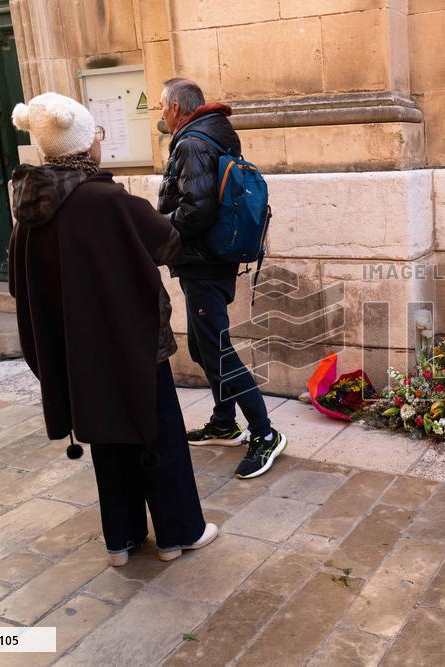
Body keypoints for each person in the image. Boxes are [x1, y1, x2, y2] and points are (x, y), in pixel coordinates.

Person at [9, 92, 217, 567]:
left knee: (105, 435)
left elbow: (20, 284)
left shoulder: (27, 205)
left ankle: (120, 541)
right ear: (84, 146)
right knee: (158, 431)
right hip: (131, 340)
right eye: (96, 134)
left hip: (76, 351)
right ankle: (177, 535)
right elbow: (168, 244)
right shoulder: (107, 199)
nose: (101, 142)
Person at [157, 77, 287, 479]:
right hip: (210, 260)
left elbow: (196, 210)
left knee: (216, 349)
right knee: (200, 346)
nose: (159, 111)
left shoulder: (193, 142)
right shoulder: (210, 136)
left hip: (204, 261)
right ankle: (223, 421)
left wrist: (160, 231)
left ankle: (265, 434)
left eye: (161, 104)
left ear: (177, 107)